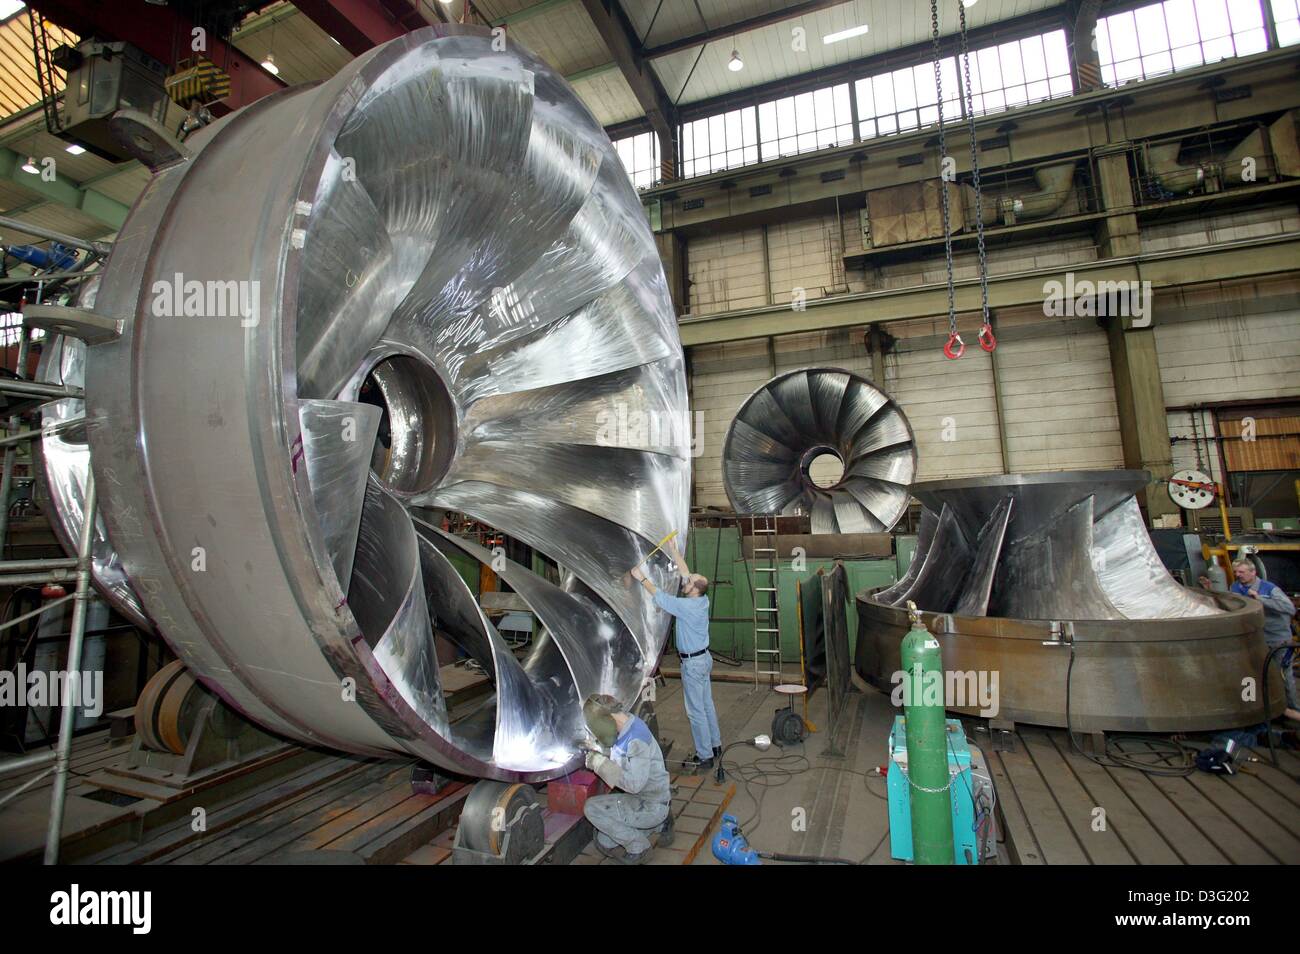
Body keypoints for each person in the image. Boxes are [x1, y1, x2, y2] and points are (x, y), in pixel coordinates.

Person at [630, 538, 721, 772]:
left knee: (695, 711)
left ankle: (705, 756)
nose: (685, 581)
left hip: (693, 664)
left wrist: (640, 577)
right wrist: (673, 551)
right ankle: (715, 744)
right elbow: (686, 572)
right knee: (707, 704)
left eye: (688, 582)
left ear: (693, 590)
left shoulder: (686, 607)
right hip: (704, 660)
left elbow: (659, 596)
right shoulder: (701, 600)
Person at [580, 694, 672, 865]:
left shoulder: (636, 741)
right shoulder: (627, 724)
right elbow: (620, 755)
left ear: (607, 720)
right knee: (604, 840)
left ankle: (640, 848)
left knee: (591, 808)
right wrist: (597, 748)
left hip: (650, 802)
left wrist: (599, 764)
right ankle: (659, 825)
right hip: (643, 799)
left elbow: (633, 785)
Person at [1229, 559, 1299, 722]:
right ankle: (1259, 709)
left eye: (1242, 572)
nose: (1238, 575)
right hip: (1254, 640)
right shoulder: (1235, 587)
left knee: (1283, 674)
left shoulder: (1270, 589)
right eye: (1237, 572)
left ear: (1253, 572)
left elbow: (1289, 608)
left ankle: (1292, 710)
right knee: (1252, 675)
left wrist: (1261, 599)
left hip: (1278, 640)